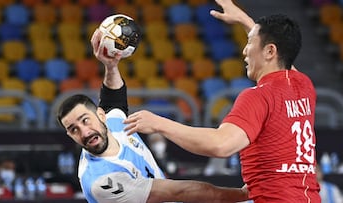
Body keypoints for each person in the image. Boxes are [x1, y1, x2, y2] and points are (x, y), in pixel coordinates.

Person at [123, 0, 321, 202]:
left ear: (270, 51)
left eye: (250, 43)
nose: (244, 51)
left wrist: (159, 124)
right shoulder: (303, 86)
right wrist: (245, 21)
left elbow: (221, 145)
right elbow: (283, 57)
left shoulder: (258, 96)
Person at [56, 28, 249, 203]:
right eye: (74, 129)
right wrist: (242, 195)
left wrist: (111, 66)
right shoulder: (103, 181)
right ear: (70, 135)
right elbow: (179, 192)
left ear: (101, 115)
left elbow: (113, 99)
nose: (85, 132)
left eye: (85, 120)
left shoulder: (115, 123)